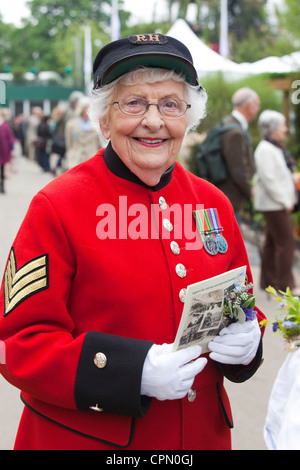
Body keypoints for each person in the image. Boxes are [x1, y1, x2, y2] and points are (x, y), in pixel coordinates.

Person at [0, 33, 265, 450]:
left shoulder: (213, 203)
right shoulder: (57, 206)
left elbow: (241, 306)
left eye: (171, 105)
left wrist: (250, 340)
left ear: (188, 119)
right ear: (104, 119)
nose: (154, 121)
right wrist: (129, 369)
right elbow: (17, 345)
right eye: (134, 103)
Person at [253, 110, 299, 293]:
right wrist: (285, 201)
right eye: (282, 125)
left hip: (274, 203)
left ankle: (268, 281)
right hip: (275, 204)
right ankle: (286, 285)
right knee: (286, 243)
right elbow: (269, 179)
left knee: (272, 243)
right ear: (272, 129)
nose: (285, 129)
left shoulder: (273, 147)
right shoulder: (265, 150)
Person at [216, 87, 260, 222]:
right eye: (257, 105)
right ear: (249, 106)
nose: (258, 109)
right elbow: (238, 169)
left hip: (227, 194)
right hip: (230, 197)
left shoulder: (227, 122)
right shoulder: (235, 131)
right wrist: (249, 190)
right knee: (232, 239)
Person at [65, 96, 100, 169]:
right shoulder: (71, 124)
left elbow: (99, 143)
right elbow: (69, 143)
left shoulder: (97, 124)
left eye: (89, 107)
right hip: (76, 158)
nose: (88, 110)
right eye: (86, 108)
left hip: (91, 156)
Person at [0, 108, 15, 193]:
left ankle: (2, 185)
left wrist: (12, 149)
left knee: (3, 168)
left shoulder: (5, 125)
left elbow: (10, 138)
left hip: (4, 150)